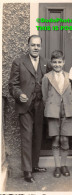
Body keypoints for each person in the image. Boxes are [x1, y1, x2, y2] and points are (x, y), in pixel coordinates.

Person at [9, 35, 50, 182]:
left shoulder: (46, 62)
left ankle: (34, 165)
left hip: (40, 105)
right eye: (33, 45)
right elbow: (12, 85)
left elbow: (53, 80)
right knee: (27, 136)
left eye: (38, 45)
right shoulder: (18, 62)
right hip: (25, 106)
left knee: (38, 136)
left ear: (41, 46)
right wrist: (19, 95)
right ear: (28, 46)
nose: (36, 48)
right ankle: (27, 171)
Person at [42, 50, 72, 178]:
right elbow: (44, 96)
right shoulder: (47, 77)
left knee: (64, 139)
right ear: (51, 63)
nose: (57, 64)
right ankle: (57, 166)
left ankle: (64, 165)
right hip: (53, 112)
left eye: (60, 62)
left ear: (64, 62)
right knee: (56, 139)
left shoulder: (69, 76)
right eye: (55, 62)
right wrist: (51, 108)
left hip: (67, 112)